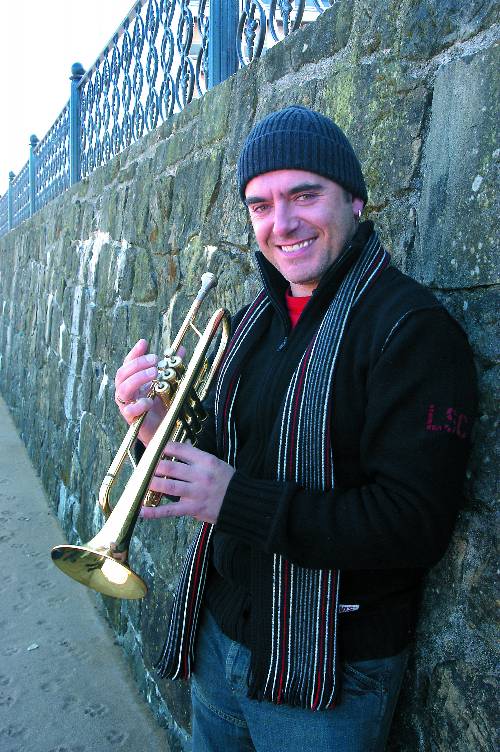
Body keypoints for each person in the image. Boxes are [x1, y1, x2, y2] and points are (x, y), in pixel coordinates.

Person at [114, 106, 477, 751]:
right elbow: (220, 460)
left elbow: (412, 524)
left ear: (355, 200)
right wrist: (154, 432)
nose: (281, 224)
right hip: (219, 635)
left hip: (330, 671)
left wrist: (235, 499)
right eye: (261, 205)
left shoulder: (413, 330)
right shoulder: (255, 317)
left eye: (304, 196)